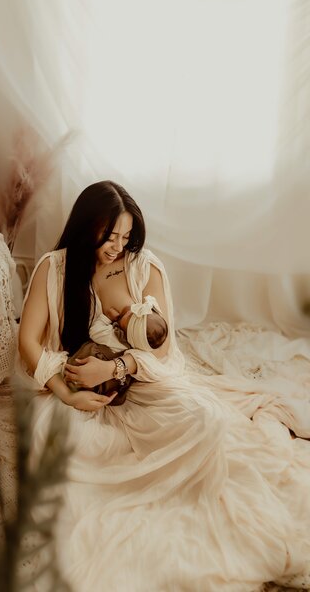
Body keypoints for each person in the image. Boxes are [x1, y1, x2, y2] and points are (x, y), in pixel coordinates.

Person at [19, 181, 310, 592]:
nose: (116, 246)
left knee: (206, 421)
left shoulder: (143, 267)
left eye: (124, 236)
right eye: (108, 236)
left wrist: (118, 366)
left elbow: (163, 348)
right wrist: (67, 391)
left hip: (141, 380)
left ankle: (179, 498)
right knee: (69, 451)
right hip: (79, 385)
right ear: (87, 226)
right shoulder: (55, 267)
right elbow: (28, 342)